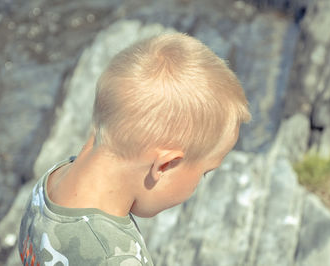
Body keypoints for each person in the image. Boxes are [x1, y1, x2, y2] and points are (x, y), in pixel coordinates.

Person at [18, 33, 251, 266]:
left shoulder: (54, 181)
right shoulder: (112, 257)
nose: (201, 182)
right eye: (204, 172)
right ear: (165, 165)